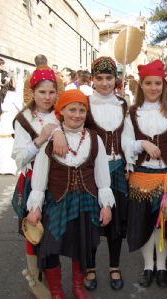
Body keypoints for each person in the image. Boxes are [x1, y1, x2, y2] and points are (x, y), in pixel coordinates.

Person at [27, 89, 114, 299]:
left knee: (81, 247)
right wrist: (35, 207)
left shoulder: (95, 139)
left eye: (82, 110)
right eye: (72, 109)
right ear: (61, 111)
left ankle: (78, 286)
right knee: (49, 248)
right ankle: (56, 292)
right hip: (57, 201)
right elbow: (39, 177)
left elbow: (102, 175)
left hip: (86, 201)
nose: (77, 114)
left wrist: (106, 205)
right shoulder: (51, 140)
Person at [52, 57, 128, 291]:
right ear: (92, 79)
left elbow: (129, 136)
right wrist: (57, 132)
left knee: (116, 223)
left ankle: (114, 266)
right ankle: (90, 267)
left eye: (109, 78)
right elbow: (64, 119)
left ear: (115, 79)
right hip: (91, 171)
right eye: (100, 78)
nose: (105, 83)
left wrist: (129, 164)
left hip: (117, 171)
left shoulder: (123, 104)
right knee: (92, 222)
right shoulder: (85, 103)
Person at [122, 59, 167, 288]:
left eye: (158, 83)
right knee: (145, 224)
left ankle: (162, 266)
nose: (153, 88)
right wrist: (142, 144)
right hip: (140, 176)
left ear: (163, 86)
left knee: (162, 225)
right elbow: (125, 142)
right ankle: (149, 265)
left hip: (164, 176)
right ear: (141, 85)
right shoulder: (133, 113)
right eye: (148, 83)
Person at [12, 68, 60, 299]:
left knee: (52, 233)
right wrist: (41, 138)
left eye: (52, 91)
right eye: (42, 91)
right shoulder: (23, 119)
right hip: (32, 181)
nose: (47, 96)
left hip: (57, 182)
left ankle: (50, 281)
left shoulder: (61, 114)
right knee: (34, 230)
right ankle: (34, 279)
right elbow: (20, 157)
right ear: (33, 92)